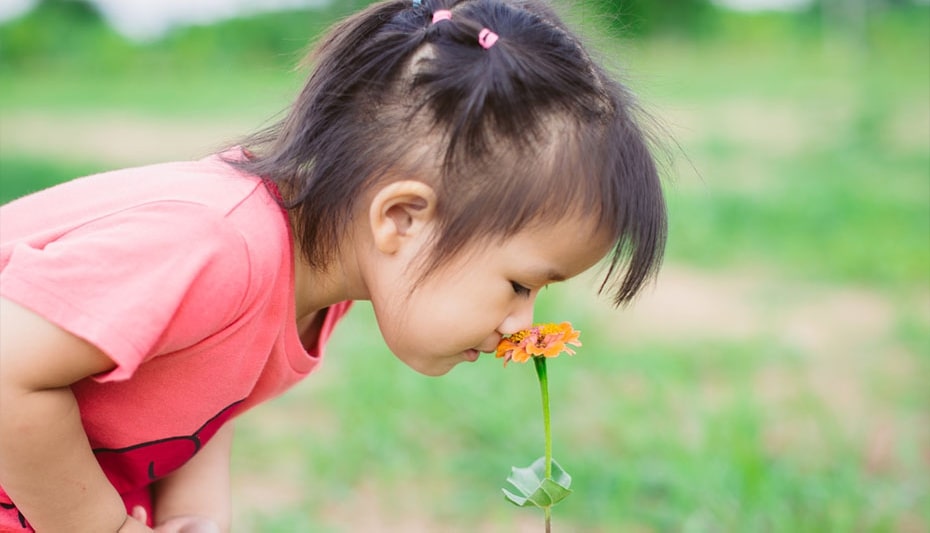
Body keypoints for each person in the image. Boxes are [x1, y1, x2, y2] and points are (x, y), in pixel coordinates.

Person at [0, 0, 667, 530]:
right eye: (520, 284)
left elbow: (204, 388)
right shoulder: (218, 243)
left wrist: (191, 514)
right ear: (401, 218)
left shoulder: (318, 273)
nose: (521, 325)